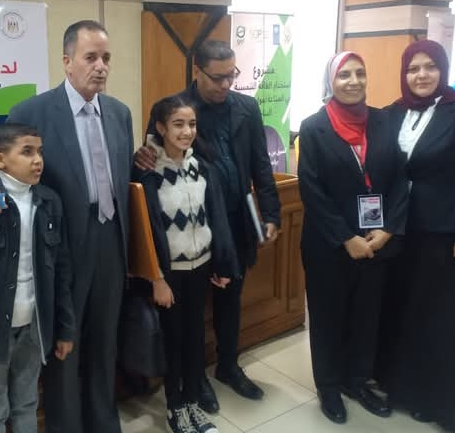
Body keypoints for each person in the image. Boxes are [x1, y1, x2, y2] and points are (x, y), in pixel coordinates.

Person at [0, 20, 133, 433]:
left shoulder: (119, 113)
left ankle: (104, 422)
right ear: (67, 61)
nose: (101, 66)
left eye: (106, 58)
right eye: (90, 57)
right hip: (62, 247)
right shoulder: (34, 111)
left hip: (111, 240)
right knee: (64, 347)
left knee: (105, 341)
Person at [135, 39, 280, 413]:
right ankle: (195, 378)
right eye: (217, 77)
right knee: (191, 312)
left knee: (231, 297)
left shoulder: (246, 107)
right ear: (197, 71)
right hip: (191, 223)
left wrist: (271, 214)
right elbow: (152, 158)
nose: (225, 84)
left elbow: (261, 164)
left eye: (231, 75)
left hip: (237, 220)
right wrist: (140, 156)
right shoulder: (176, 109)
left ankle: (229, 365)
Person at [297, 51, 407, 424]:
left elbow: (401, 178)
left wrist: (389, 229)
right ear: (331, 81)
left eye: (360, 73)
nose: (354, 81)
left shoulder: (384, 120)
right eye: (344, 75)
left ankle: (357, 380)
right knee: (328, 317)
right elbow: (311, 190)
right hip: (329, 244)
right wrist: (347, 237)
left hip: (377, 240)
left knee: (366, 316)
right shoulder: (313, 127)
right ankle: (329, 386)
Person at [378, 40, 455, 433]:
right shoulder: (394, 112)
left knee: (441, 318)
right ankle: (401, 389)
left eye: (430, 67)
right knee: (402, 309)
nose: (421, 75)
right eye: (413, 68)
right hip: (399, 230)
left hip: (445, 234)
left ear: (443, 69)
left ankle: (441, 403)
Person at [0, 123, 75, 433]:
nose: (38, 160)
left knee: (27, 404)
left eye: (40, 152)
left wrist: (65, 328)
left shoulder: (49, 202)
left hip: (34, 327)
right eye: (27, 152)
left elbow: (61, 270)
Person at [135, 95, 239, 433]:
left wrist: (222, 264)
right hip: (170, 276)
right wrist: (157, 278)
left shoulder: (202, 166)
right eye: (178, 124)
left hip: (201, 268)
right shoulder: (148, 173)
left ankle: (193, 403)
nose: (186, 131)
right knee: (174, 342)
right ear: (161, 127)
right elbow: (145, 233)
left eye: (191, 124)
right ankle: (175, 408)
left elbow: (217, 218)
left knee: (196, 339)